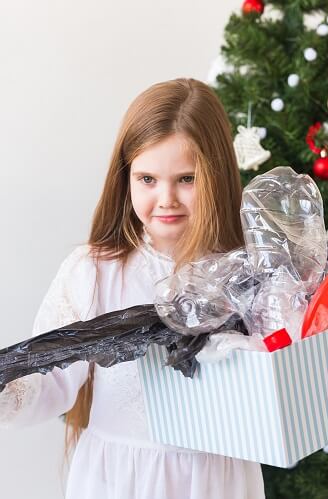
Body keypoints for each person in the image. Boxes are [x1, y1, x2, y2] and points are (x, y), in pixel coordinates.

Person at [0, 78, 266, 499]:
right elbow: (49, 382)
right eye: (147, 179)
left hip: (216, 482)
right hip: (116, 482)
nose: (166, 199)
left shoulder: (250, 271)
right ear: (125, 178)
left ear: (215, 175)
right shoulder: (95, 271)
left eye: (186, 179)